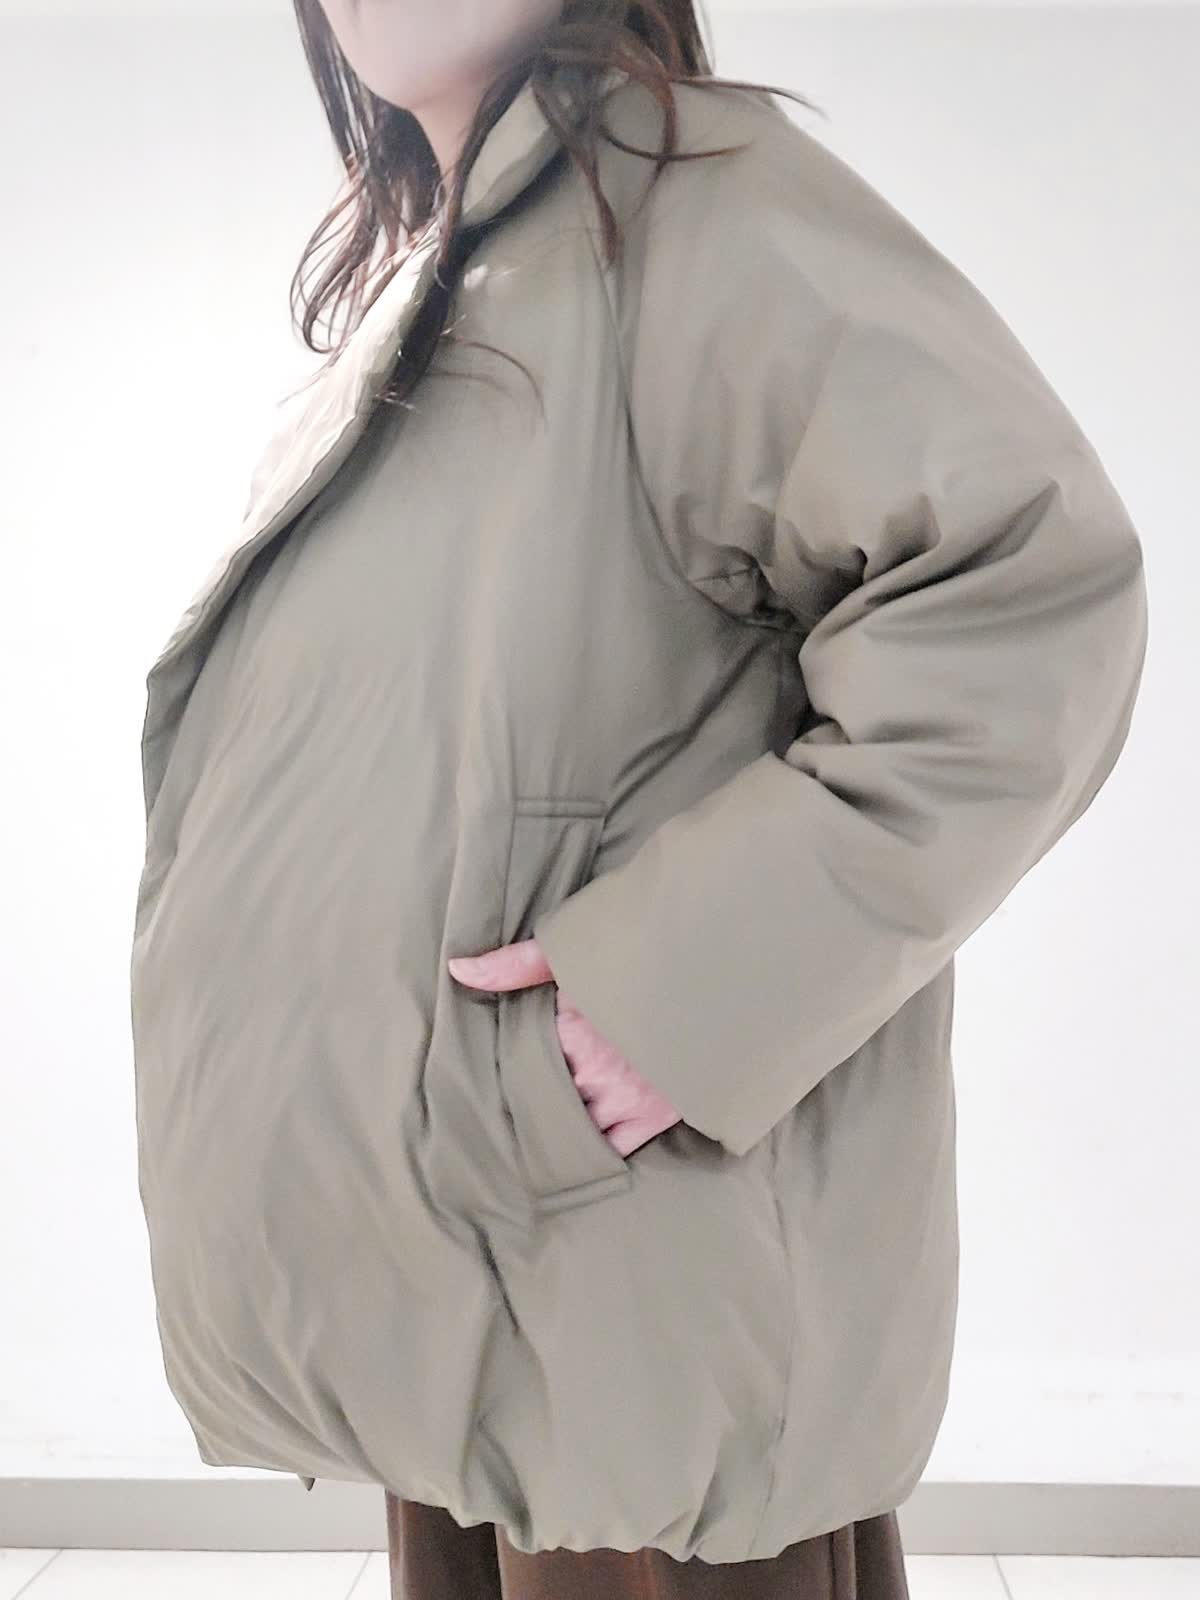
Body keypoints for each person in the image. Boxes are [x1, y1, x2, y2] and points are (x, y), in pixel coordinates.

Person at [127, 1, 1149, 1596]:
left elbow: (1025, 598)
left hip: (634, 1314)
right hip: (473, 1308)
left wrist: (675, 998)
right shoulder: (453, 270)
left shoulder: (697, 203)